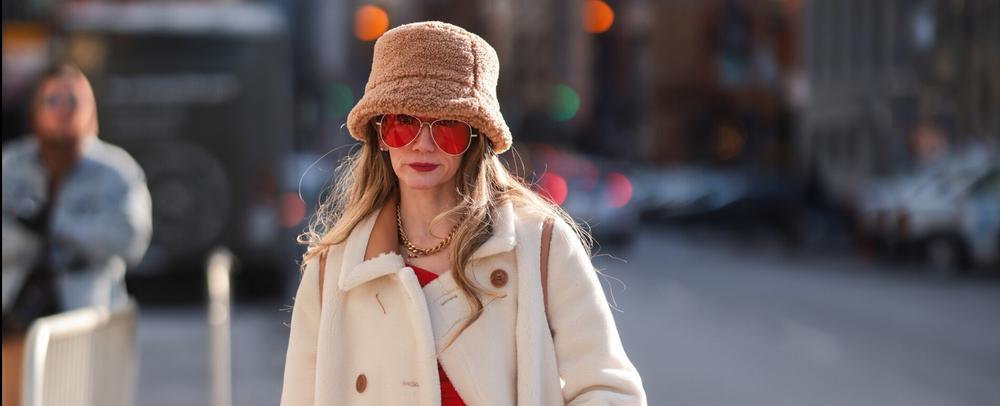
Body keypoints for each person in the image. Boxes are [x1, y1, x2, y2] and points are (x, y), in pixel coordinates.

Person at [280, 21, 646, 405]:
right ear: (379, 135)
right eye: (402, 124)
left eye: (447, 127)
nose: (422, 144)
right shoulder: (332, 271)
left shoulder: (540, 246)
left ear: (476, 138)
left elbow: (609, 391)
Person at [1, 64, 152, 406]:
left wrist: (56, 223)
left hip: (83, 332)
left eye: (73, 100)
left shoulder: (117, 172)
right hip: (13, 327)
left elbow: (131, 237)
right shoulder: (11, 166)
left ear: (91, 109)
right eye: (52, 100)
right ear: (35, 109)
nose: (63, 109)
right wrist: (29, 234)